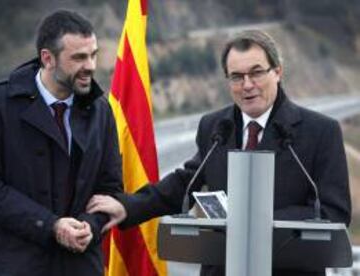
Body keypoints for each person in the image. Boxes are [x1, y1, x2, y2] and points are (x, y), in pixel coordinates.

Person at [86, 30, 351, 276]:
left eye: (256, 73)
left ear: (278, 72)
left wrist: (249, 222)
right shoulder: (215, 127)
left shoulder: (321, 132)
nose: (247, 85)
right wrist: (128, 205)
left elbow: (333, 212)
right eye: (237, 76)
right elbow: (185, 183)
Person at [0, 10, 122, 276]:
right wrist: (51, 226)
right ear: (47, 58)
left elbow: (110, 187)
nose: (91, 66)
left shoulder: (101, 110)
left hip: (77, 267)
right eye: (79, 57)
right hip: (6, 266)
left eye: (93, 54)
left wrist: (90, 227)